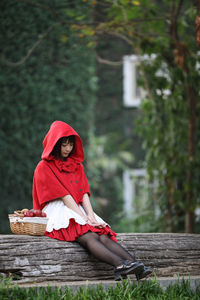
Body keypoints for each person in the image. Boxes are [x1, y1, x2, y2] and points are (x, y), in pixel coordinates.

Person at [32, 121, 152, 281]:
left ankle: (135, 264)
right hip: (59, 210)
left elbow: (83, 194)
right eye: (64, 145)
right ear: (55, 144)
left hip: (77, 207)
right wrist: (84, 219)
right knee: (89, 236)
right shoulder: (44, 166)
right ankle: (119, 265)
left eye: (70, 145)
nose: (68, 149)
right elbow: (65, 197)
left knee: (102, 236)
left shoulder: (77, 166)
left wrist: (92, 218)